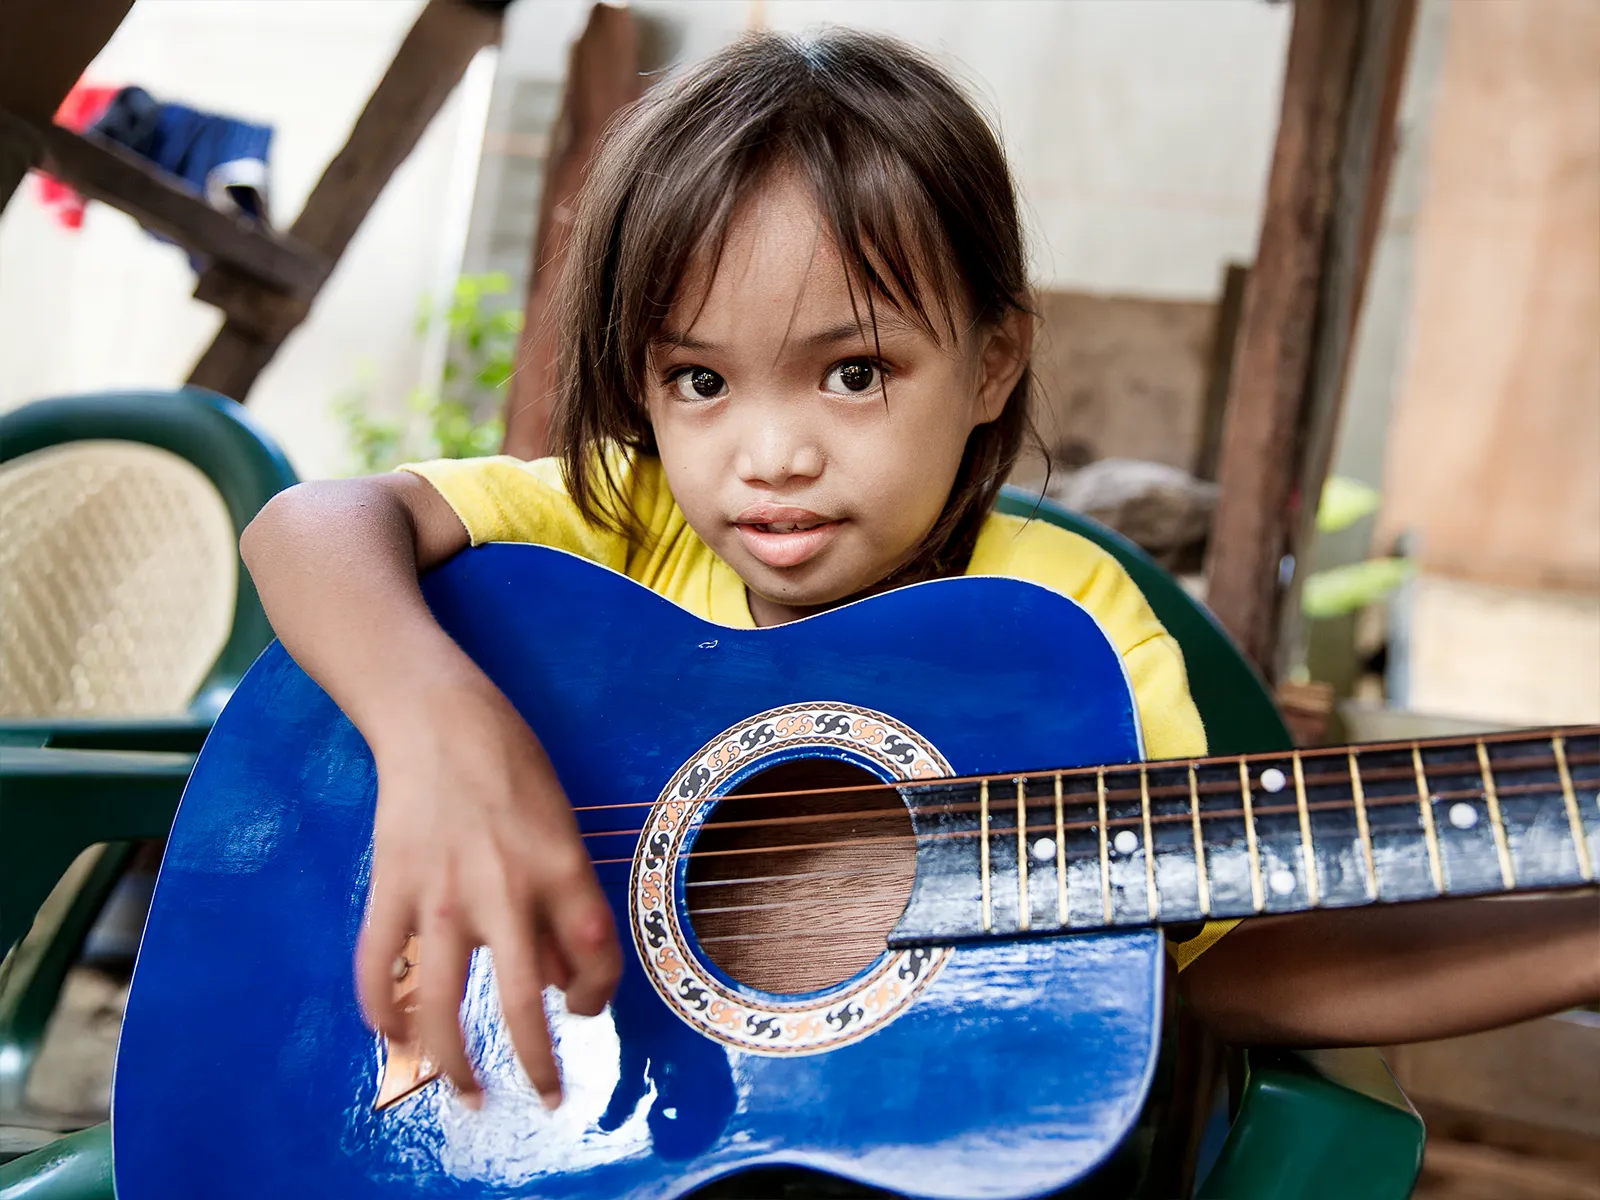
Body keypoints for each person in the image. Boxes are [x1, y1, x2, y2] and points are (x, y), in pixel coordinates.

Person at [242, 29, 1598, 1114]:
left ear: (994, 361)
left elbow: (1215, 965)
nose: (769, 455)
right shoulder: (626, 529)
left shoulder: (1063, 627)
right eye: (698, 378)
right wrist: (441, 733)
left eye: (853, 372)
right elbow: (305, 527)